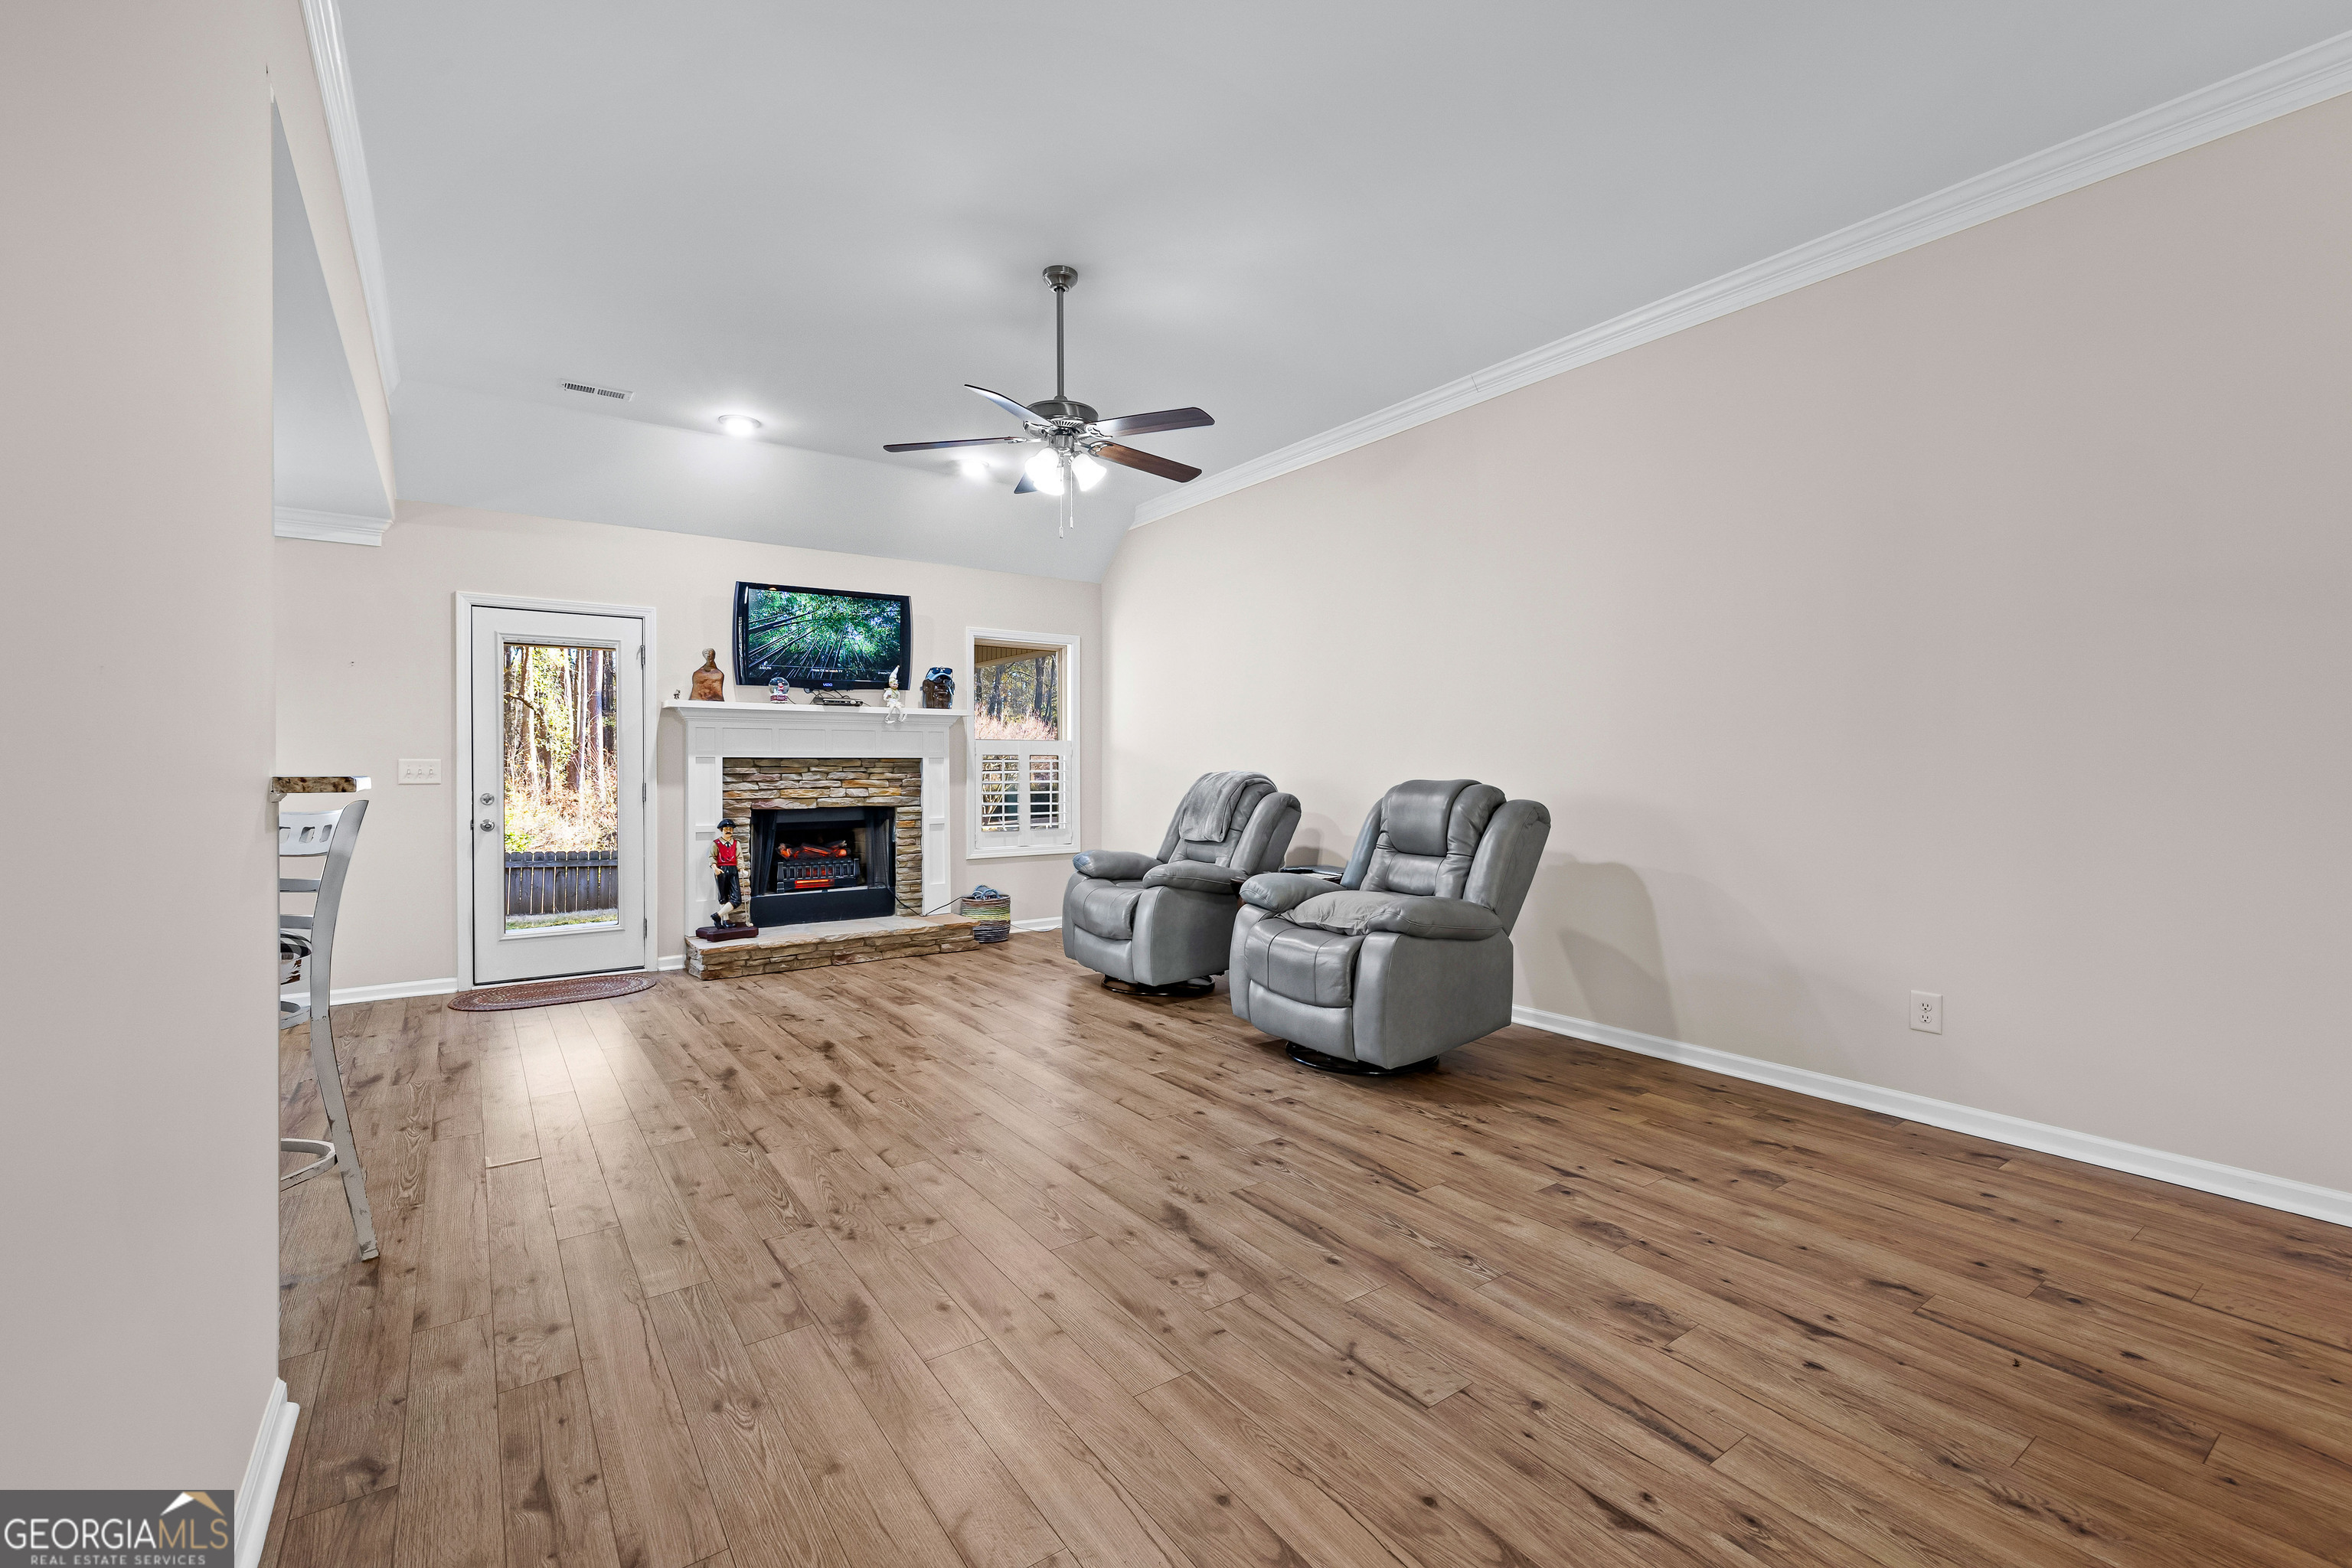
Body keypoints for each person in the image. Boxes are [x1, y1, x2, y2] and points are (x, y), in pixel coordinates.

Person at [710, 817, 744, 926]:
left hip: (733, 869)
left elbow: (739, 857)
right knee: (723, 895)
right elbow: (712, 857)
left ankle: (718, 915)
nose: (729, 831)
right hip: (721, 870)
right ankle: (726, 920)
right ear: (722, 830)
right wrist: (715, 868)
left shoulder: (736, 843)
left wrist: (741, 868)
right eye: (726, 829)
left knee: (737, 898)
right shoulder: (716, 843)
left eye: (730, 829)